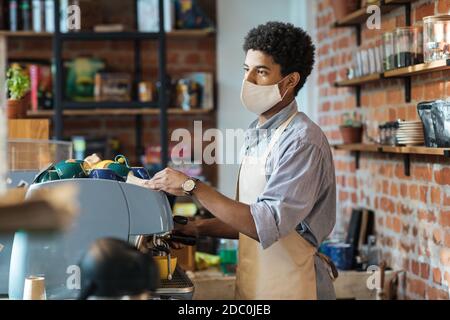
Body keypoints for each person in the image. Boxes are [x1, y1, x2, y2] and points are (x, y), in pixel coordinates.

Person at [146, 21, 337, 300]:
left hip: (293, 288)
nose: (248, 81)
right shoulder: (256, 134)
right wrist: (197, 228)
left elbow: (264, 224)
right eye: (246, 70)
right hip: (253, 287)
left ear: (291, 80)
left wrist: (192, 186)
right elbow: (248, 215)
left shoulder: (302, 141)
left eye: (261, 72)